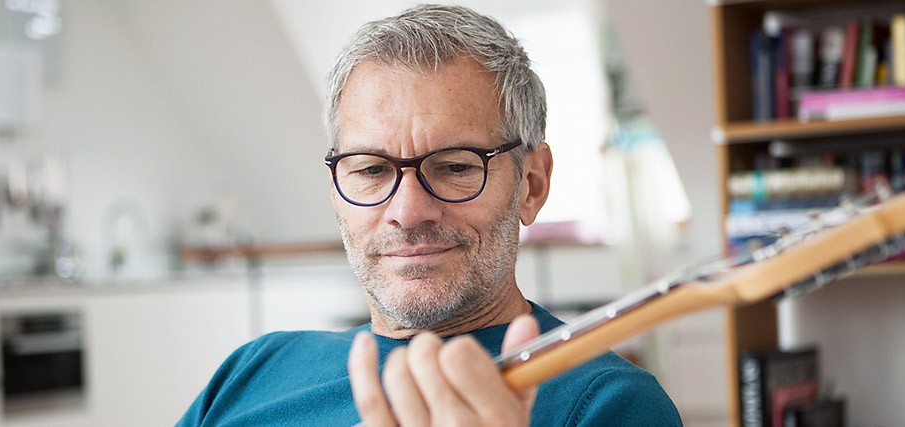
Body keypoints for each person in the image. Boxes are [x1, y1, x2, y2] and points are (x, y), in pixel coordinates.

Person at [179, 4, 682, 426]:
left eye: (455, 167)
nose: (408, 211)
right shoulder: (252, 371)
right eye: (372, 169)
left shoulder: (607, 406)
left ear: (532, 184)